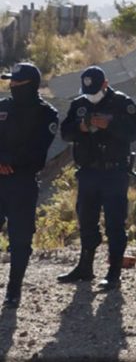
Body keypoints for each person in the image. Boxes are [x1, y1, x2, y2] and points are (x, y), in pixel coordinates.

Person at [57, 65, 136, 290]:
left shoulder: (122, 103)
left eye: (95, 90)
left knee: (114, 223)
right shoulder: (79, 104)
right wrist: (81, 128)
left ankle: (114, 273)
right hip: (88, 171)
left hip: (114, 172)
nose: (91, 96)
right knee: (86, 220)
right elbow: (65, 133)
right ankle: (85, 267)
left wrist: (110, 125)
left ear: (105, 84)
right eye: (88, 91)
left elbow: (132, 133)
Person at [0, 63, 58, 308]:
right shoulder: (3, 107)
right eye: (10, 82)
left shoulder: (46, 114)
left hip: (22, 182)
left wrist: (9, 161)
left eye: (17, 82)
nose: (12, 86)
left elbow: (37, 151)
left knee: (20, 239)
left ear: (30, 85)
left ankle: (13, 290)